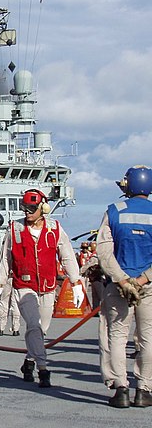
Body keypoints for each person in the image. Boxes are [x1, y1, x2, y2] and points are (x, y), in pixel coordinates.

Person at [0, 189, 84, 388]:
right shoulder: (15, 229)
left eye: (32, 208)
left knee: (42, 330)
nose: (27, 212)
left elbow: (67, 256)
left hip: (48, 288)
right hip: (24, 287)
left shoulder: (55, 228)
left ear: (43, 208)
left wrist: (76, 283)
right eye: (25, 208)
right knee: (33, 325)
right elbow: (5, 259)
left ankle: (28, 362)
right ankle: (43, 369)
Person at [96, 165, 152, 408]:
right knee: (148, 339)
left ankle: (121, 389)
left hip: (118, 286)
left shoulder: (113, 211)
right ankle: (144, 390)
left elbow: (104, 252)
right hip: (148, 286)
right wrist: (142, 280)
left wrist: (122, 280)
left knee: (117, 337)